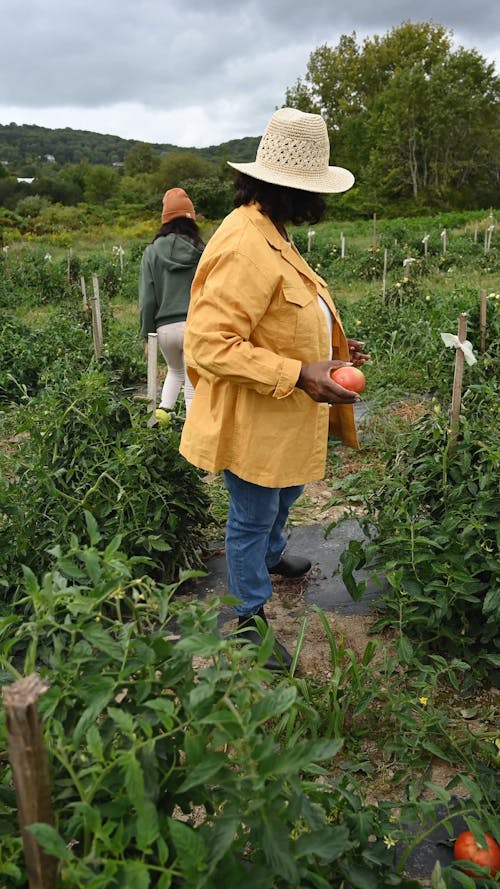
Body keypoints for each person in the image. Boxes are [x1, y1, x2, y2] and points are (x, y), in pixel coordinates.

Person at [179, 108, 369, 669]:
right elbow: (208, 344)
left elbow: (284, 315)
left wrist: (331, 354)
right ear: (285, 187)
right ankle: (248, 616)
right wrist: (299, 373)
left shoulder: (272, 231)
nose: (318, 203)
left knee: (286, 492)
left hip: (286, 412)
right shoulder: (243, 243)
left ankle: (274, 554)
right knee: (252, 510)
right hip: (257, 411)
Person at [139, 187, 204, 415]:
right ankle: (190, 438)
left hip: (164, 330)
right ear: (192, 217)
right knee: (191, 382)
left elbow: (147, 298)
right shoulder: (202, 251)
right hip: (194, 326)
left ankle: (162, 422)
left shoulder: (152, 252)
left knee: (173, 373)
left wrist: (148, 336)